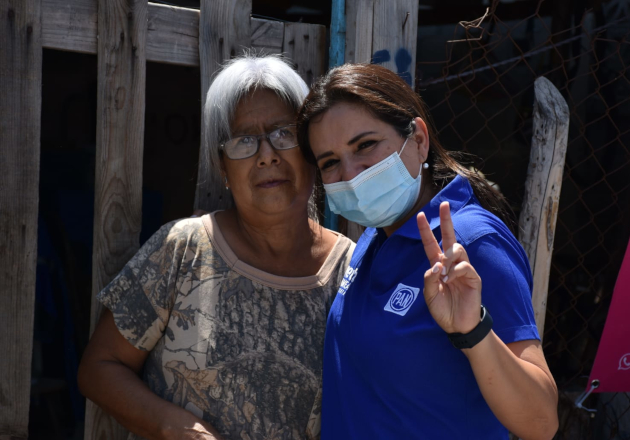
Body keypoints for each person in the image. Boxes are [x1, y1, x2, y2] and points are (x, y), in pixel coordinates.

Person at [78, 54, 354, 440]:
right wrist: (172, 426)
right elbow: (99, 367)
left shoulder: (351, 271)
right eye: (244, 140)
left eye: (284, 133)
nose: (267, 155)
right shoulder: (183, 250)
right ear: (223, 168)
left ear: (310, 150)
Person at [297, 63, 559, 440]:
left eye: (365, 145)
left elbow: (541, 423)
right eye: (330, 162)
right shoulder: (374, 238)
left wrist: (474, 331)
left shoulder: (472, 241)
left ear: (419, 139)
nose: (351, 174)